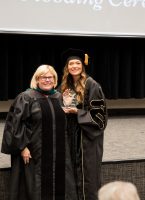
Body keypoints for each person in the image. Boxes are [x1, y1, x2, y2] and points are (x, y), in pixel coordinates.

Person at [1, 64, 78, 200]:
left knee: (61, 182)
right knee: (36, 186)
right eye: (43, 77)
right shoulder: (26, 97)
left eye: (50, 77)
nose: (47, 80)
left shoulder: (59, 97)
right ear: (37, 79)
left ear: (55, 80)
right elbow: (15, 124)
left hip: (59, 152)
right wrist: (22, 147)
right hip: (35, 152)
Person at [59, 48, 108, 200]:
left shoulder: (92, 84)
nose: (74, 66)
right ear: (67, 67)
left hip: (87, 139)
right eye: (71, 64)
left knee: (89, 176)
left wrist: (77, 112)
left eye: (77, 63)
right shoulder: (65, 85)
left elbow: (100, 118)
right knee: (71, 172)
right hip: (71, 135)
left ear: (82, 66)